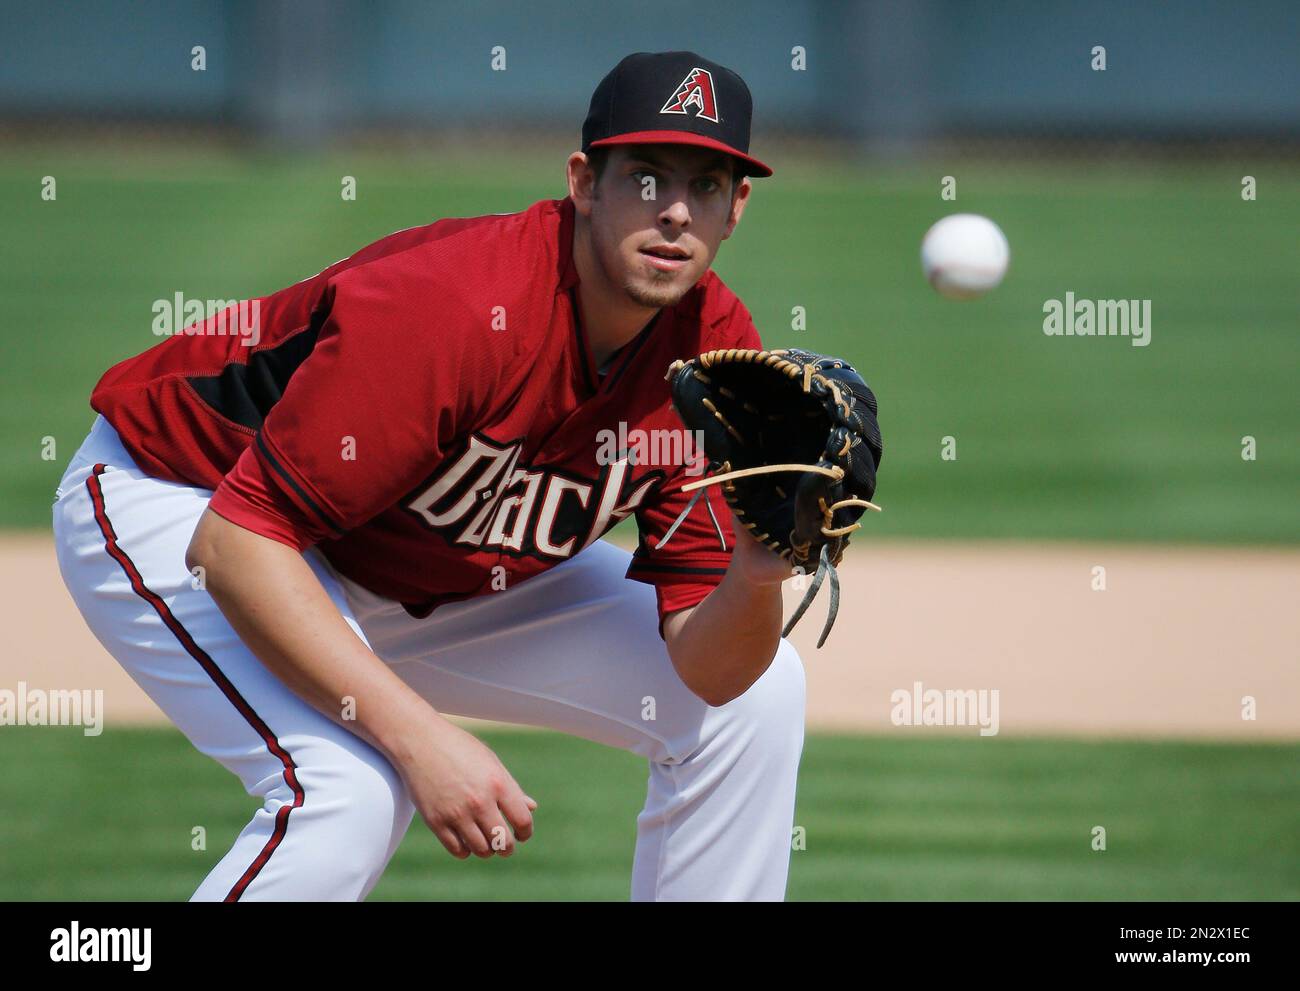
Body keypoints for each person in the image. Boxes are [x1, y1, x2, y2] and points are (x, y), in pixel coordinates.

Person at [53, 50, 808, 901]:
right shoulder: (458, 306)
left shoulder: (713, 354)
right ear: (584, 182)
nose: (673, 212)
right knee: (353, 795)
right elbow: (237, 542)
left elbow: (707, 671)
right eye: (644, 178)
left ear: (736, 207)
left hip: (408, 558)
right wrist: (421, 738)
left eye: (705, 186)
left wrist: (756, 572)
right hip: (184, 502)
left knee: (758, 694)